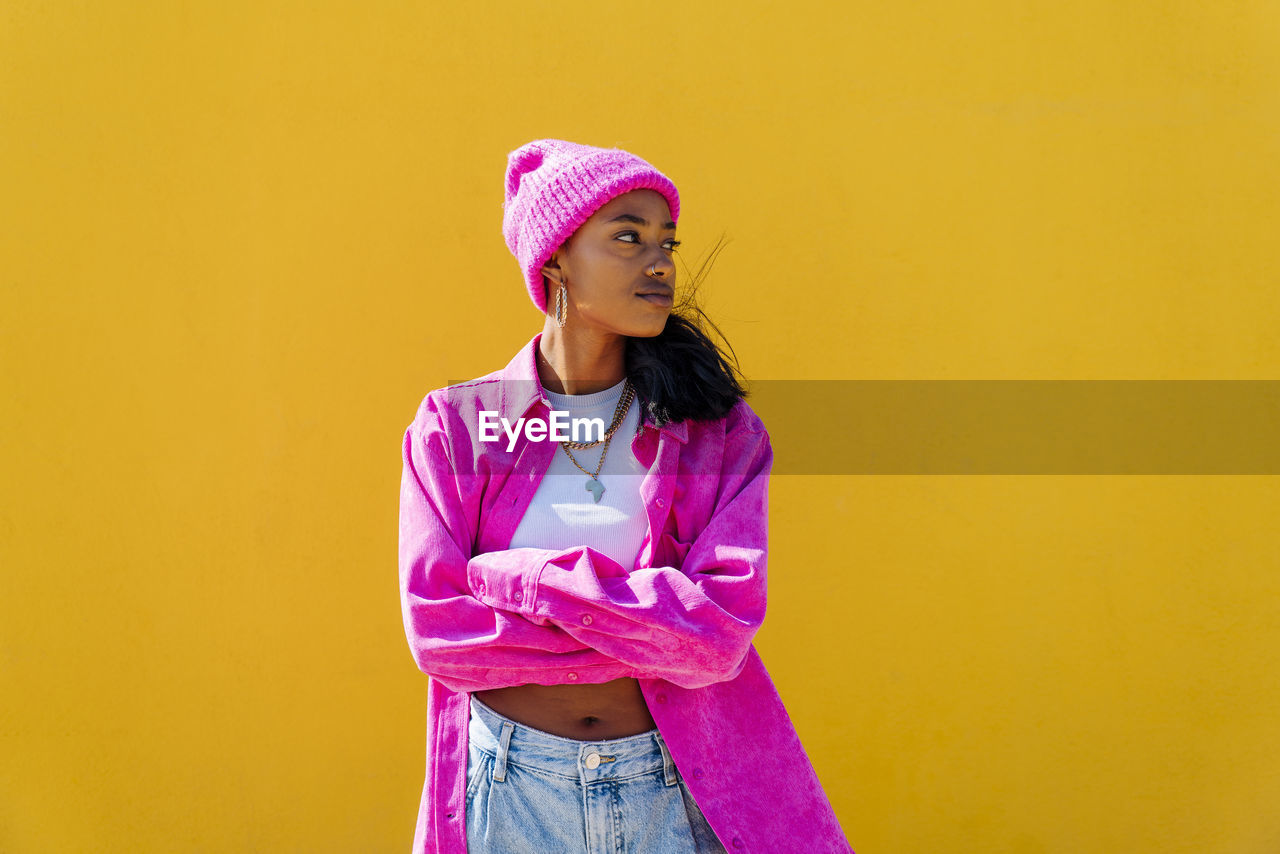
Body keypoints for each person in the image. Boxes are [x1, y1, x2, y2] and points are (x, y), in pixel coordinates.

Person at [398, 138, 854, 853]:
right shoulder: (457, 428)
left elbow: (716, 639)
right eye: (628, 237)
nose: (661, 261)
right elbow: (442, 635)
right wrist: (646, 628)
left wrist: (516, 580)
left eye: (667, 242)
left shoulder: (717, 436)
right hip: (511, 792)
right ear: (554, 260)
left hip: (668, 789)